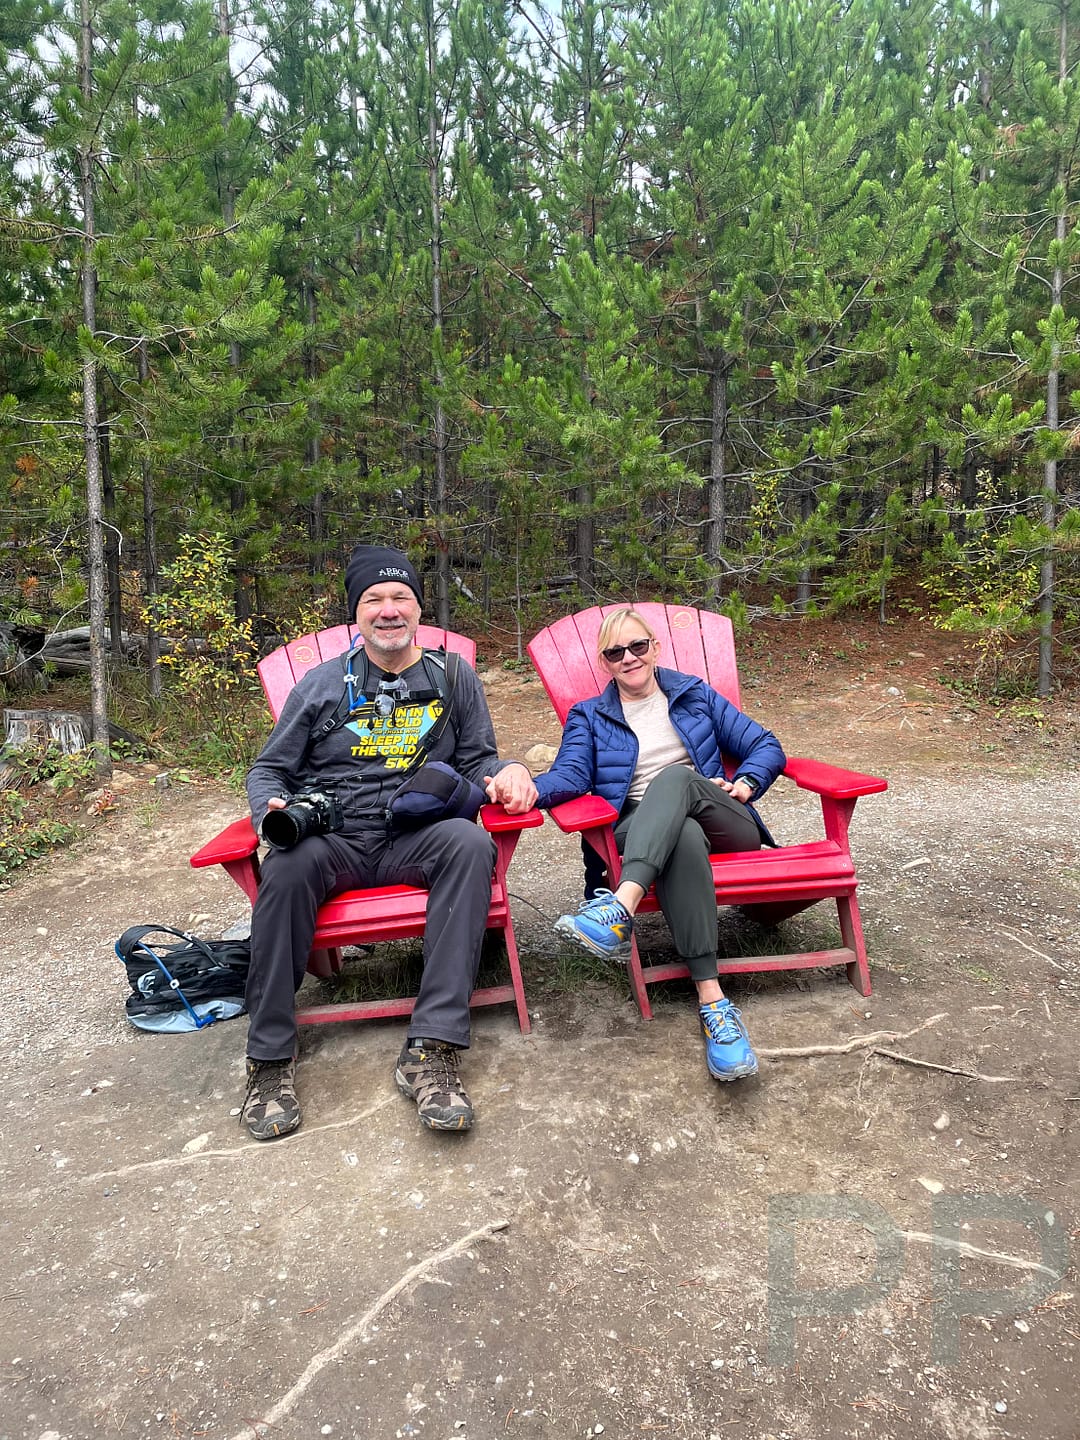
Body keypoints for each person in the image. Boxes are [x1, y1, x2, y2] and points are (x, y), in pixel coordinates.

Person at [241, 544, 535, 1140]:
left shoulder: (454, 677)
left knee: (471, 846)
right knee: (285, 867)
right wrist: (267, 808)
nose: (389, 609)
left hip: (417, 833)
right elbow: (267, 769)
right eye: (373, 599)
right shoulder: (320, 686)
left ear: (419, 609)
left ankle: (432, 1046)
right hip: (337, 837)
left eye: (401, 596)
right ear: (357, 616)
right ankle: (269, 1058)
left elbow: (479, 759)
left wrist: (510, 772)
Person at [489, 607, 785, 1082]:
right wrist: (526, 788)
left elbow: (766, 745)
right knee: (680, 834)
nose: (628, 657)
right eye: (615, 652)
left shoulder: (694, 695)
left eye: (637, 646)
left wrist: (746, 783)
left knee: (677, 780)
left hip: (723, 824)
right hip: (643, 830)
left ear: (655, 647)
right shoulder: (590, 716)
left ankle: (619, 909)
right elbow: (569, 776)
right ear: (605, 663)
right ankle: (714, 1004)